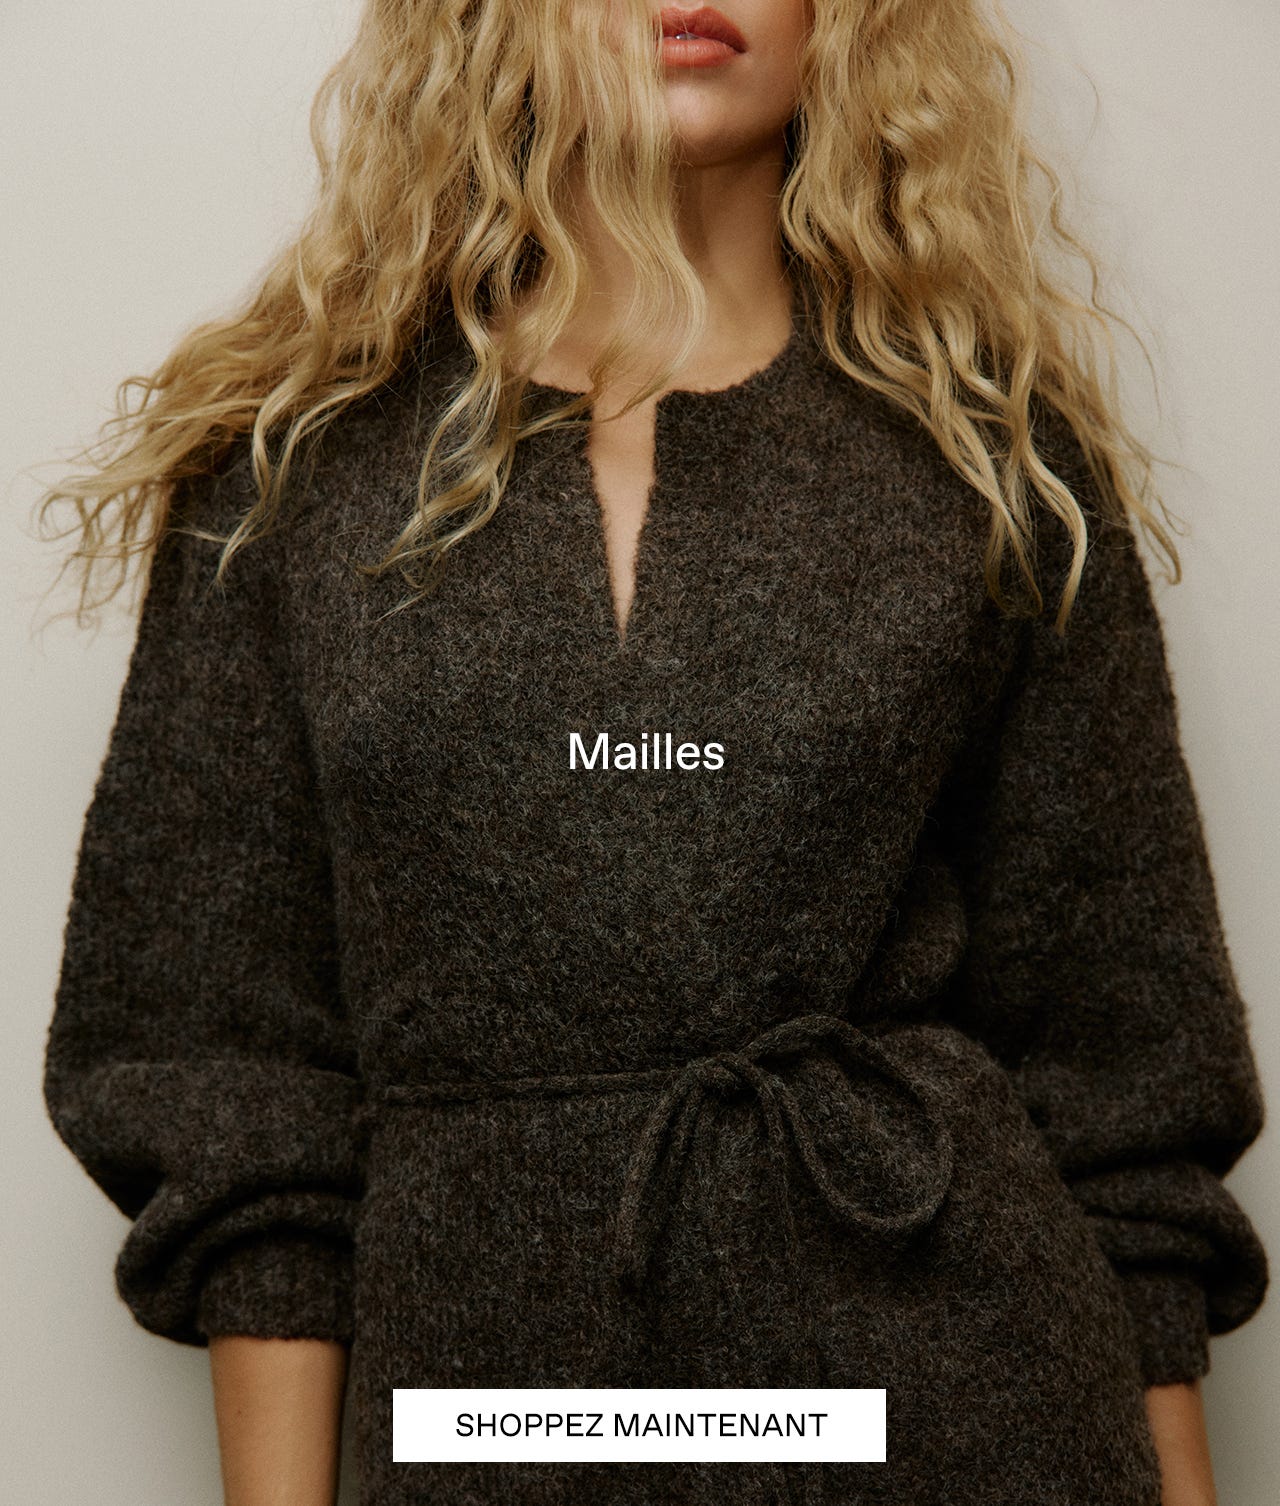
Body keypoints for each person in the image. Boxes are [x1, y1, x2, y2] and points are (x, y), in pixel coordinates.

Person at [38, 2, 1268, 1504]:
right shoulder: (293, 470)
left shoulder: (994, 462)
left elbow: (1127, 1069)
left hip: (957, 1415)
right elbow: (233, 1085)